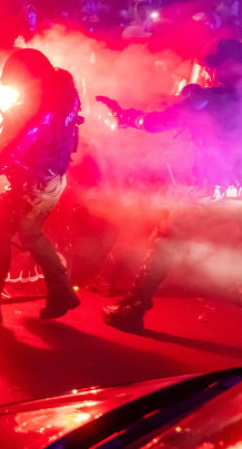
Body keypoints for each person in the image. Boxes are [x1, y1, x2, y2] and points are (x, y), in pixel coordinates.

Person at [99, 38, 242, 333]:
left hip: (212, 191)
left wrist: (125, 116)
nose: (211, 71)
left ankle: (132, 309)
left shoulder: (205, 100)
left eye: (217, 66)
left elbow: (158, 122)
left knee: (167, 238)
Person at [0, 48, 83, 323]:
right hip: (52, 181)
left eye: (13, 81)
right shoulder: (62, 94)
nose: (11, 88)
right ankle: (61, 290)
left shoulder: (31, 107)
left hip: (29, 184)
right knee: (31, 234)